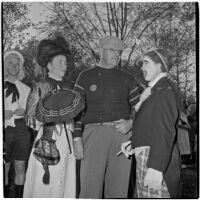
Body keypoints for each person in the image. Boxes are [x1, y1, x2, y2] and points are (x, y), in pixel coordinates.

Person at [73, 36, 140, 198]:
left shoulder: (128, 78)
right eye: (112, 50)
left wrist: (131, 123)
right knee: (89, 188)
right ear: (101, 50)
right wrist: (77, 139)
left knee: (119, 190)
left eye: (119, 51)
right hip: (94, 134)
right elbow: (76, 111)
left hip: (122, 137)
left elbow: (140, 107)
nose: (116, 54)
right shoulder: (85, 76)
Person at [23, 36, 84, 198]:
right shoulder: (40, 87)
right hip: (47, 140)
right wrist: (47, 115)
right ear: (49, 65)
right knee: (46, 186)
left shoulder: (70, 88)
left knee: (65, 182)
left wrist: (75, 137)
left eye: (65, 62)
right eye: (60, 62)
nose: (65, 66)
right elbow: (29, 118)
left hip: (67, 140)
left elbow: (77, 116)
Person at [121, 48, 181, 198]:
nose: (142, 67)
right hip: (147, 156)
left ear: (159, 65)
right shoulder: (155, 90)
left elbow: (165, 131)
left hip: (154, 161)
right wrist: (132, 142)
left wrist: (156, 167)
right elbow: (150, 124)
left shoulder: (164, 91)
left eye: (146, 63)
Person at [4, 50, 31, 197]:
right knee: (4, 166)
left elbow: (32, 114)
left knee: (20, 166)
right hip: (4, 131)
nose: (14, 66)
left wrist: (26, 112)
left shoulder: (27, 89)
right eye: (10, 63)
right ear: (5, 65)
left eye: (17, 64)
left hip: (22, 131)